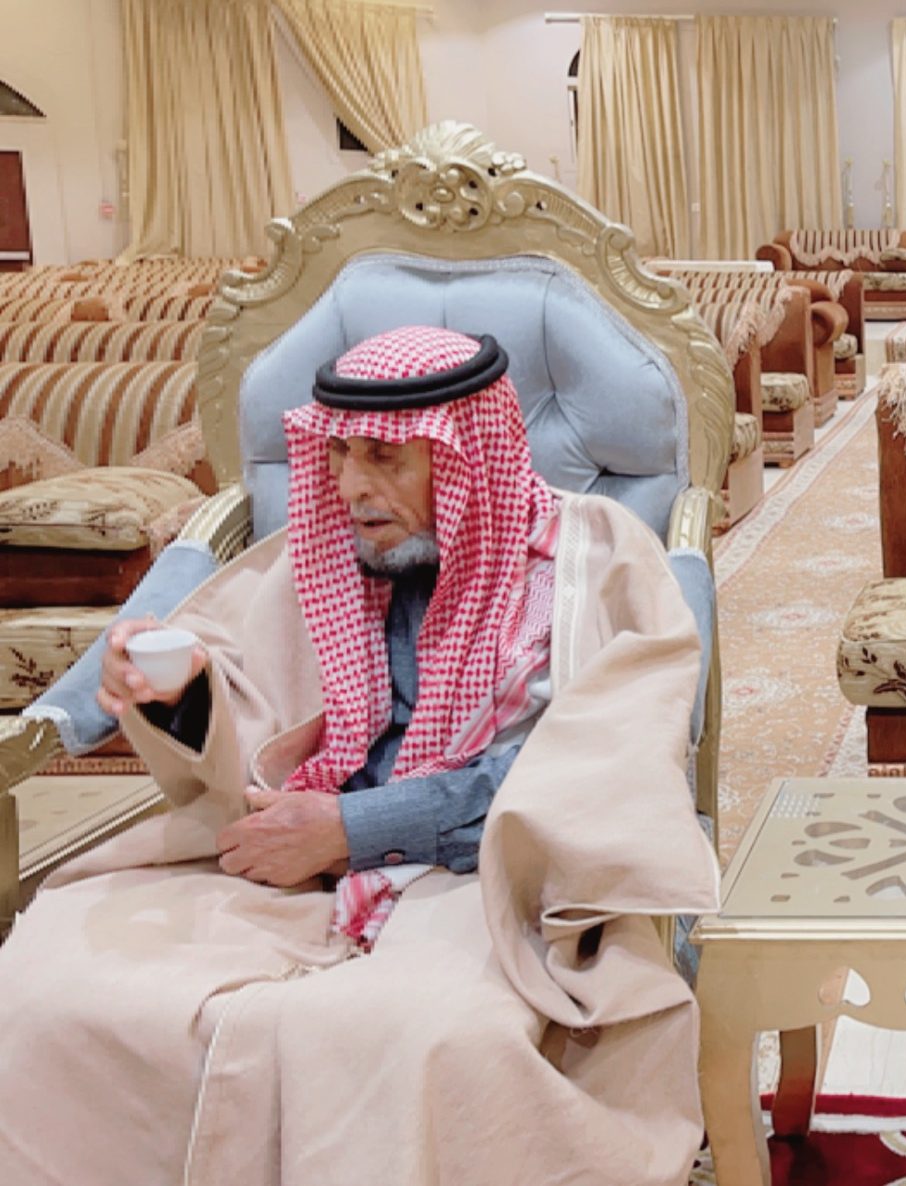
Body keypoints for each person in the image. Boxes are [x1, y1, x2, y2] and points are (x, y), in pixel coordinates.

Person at [0, 325, 720, 1185]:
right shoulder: (318, 555)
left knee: (423, 1038)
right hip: (281, 871)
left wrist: (356, 827)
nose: (348, 487)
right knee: (50, 983)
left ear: (462, 459)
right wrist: (177, 690)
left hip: (494, 885)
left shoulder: (594, 560)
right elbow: (239, 711)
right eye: (339, 453)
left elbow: (599, 767)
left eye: (384, 457)